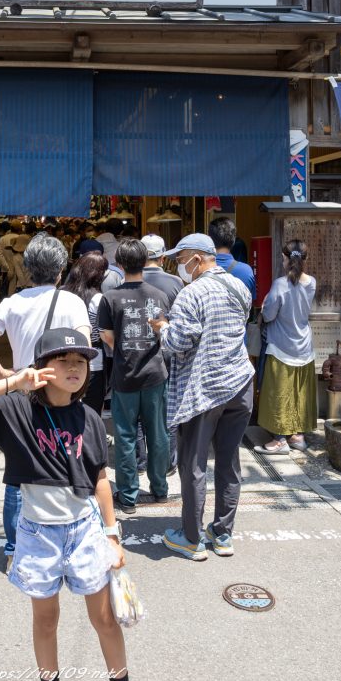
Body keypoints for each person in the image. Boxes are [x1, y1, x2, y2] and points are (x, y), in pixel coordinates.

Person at [0, 327, 139, 681]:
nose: (75, 368)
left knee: (104, 619)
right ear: (42, 367)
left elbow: (100, 480)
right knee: (45, 620)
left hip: (85, 530)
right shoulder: (19, 409)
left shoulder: (89, 417)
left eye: (81, 362)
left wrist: (112, 535)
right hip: (38, 534)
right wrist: (14, 381)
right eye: (64, 360)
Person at [0, 235, 91, 571]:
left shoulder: (14, 302)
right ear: (60, 270)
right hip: (60, 391)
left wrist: (3, 375)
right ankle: (63, 540)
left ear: (27, 268)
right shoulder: (71, 302)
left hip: (24, 391)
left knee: (18, 471)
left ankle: (14, 550)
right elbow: (84, 347)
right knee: (66, 460)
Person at [151, 234, 254, 560]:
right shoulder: (239, 286)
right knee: (228, 462)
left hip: (203, 390)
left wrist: (162, 328)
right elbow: (241, 324)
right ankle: (222, 535)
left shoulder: (190, 294)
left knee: (193, 465)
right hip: (240, 384)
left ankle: (191, 538)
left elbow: (176, 344)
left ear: (197, 258)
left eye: (181, 258)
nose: (178, 265)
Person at [98, 238, 172, 514]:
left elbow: (106, 335)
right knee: (158, 434)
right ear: (145, 262)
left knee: (126, 436)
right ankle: (160, 489)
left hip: (125, 375)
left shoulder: (110, 298)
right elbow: (165, 330)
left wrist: (124, 350)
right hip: (155, 373)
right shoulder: (159, 295)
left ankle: (128, 497)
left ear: (118, 264)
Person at [254, 240, 317, 455]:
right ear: (305, 259)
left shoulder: (280, 284)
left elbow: (270, 314)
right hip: (304, 345)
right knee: (299, 392)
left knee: (278, 392)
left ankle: (279, 439)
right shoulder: (312, 283)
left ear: (284, 259)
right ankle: (297, 436)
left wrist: (263, 309)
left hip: (281, 344)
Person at [140, 234, 183, 474]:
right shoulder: (175, 282)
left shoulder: (131, 280)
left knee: (139, 409)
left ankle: (141, 460)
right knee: (168, 406)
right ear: (163, 256)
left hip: (138, 349)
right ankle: (168, 462)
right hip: (167, 348)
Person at [63, 251, 109, 413]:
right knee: (91, 409)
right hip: (93, 359)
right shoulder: (98, 298)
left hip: (62, 355)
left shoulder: (62, 292)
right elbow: (102, 332)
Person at [208, 217, 256, 299]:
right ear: (233, 240)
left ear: (210, 239)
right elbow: (251, 300)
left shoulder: (201, 269)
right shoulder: (246, 271)